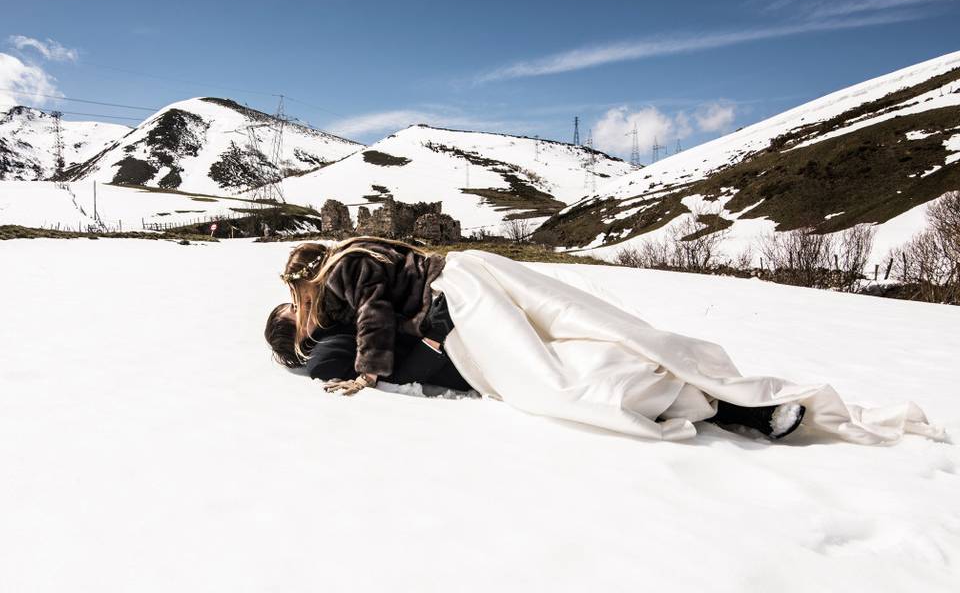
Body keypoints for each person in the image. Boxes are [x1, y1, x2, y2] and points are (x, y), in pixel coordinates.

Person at [276, 237, 943, 444]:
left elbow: (371, 315)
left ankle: (735, 403)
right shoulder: (357, 256)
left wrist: (365, 373)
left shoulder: (344, 273)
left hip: (464, 301)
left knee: (552, 384)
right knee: (600, 338)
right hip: (475, 275)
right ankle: (740, 407)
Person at [264, 301, 471, 393]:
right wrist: (436, 333)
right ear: (297, 336)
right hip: (457, 356)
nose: (303, 302)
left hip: (444, 321)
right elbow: (396, 379)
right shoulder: (324, 360)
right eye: (295, 308)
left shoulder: (332, 316)